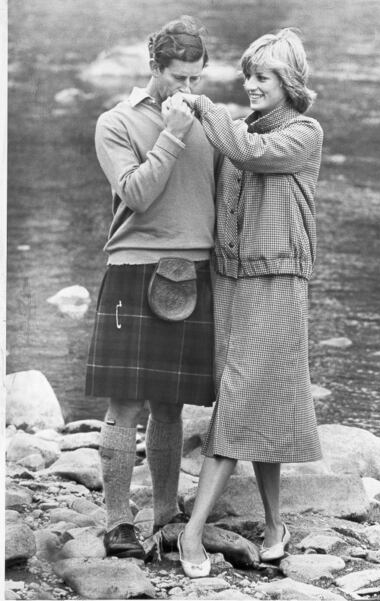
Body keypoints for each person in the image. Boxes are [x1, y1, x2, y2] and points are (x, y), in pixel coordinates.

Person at [176, 28, 324, 577]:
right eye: (250, 75)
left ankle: (192, 535)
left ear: (289, 82)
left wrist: (203, 106)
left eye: (263, 76)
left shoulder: (303, 133)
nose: (252, 84)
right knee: (257, 400)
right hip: (231, 280)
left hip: (278, 282)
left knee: (238, 403)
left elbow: (247, 151)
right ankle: (274, 525)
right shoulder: (237, 132)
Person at [85, 15, 219, 559]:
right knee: (124, 405)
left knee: (171, 408)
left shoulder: (213, 120)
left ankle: (167, 517)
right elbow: (136, 195)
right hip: (134, 268)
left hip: (195, 268)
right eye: (178, 78)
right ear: (154, 68)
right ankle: (118, 521)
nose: (187, 89)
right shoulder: (114, 122)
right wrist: (171, 133)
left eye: (196, 78)